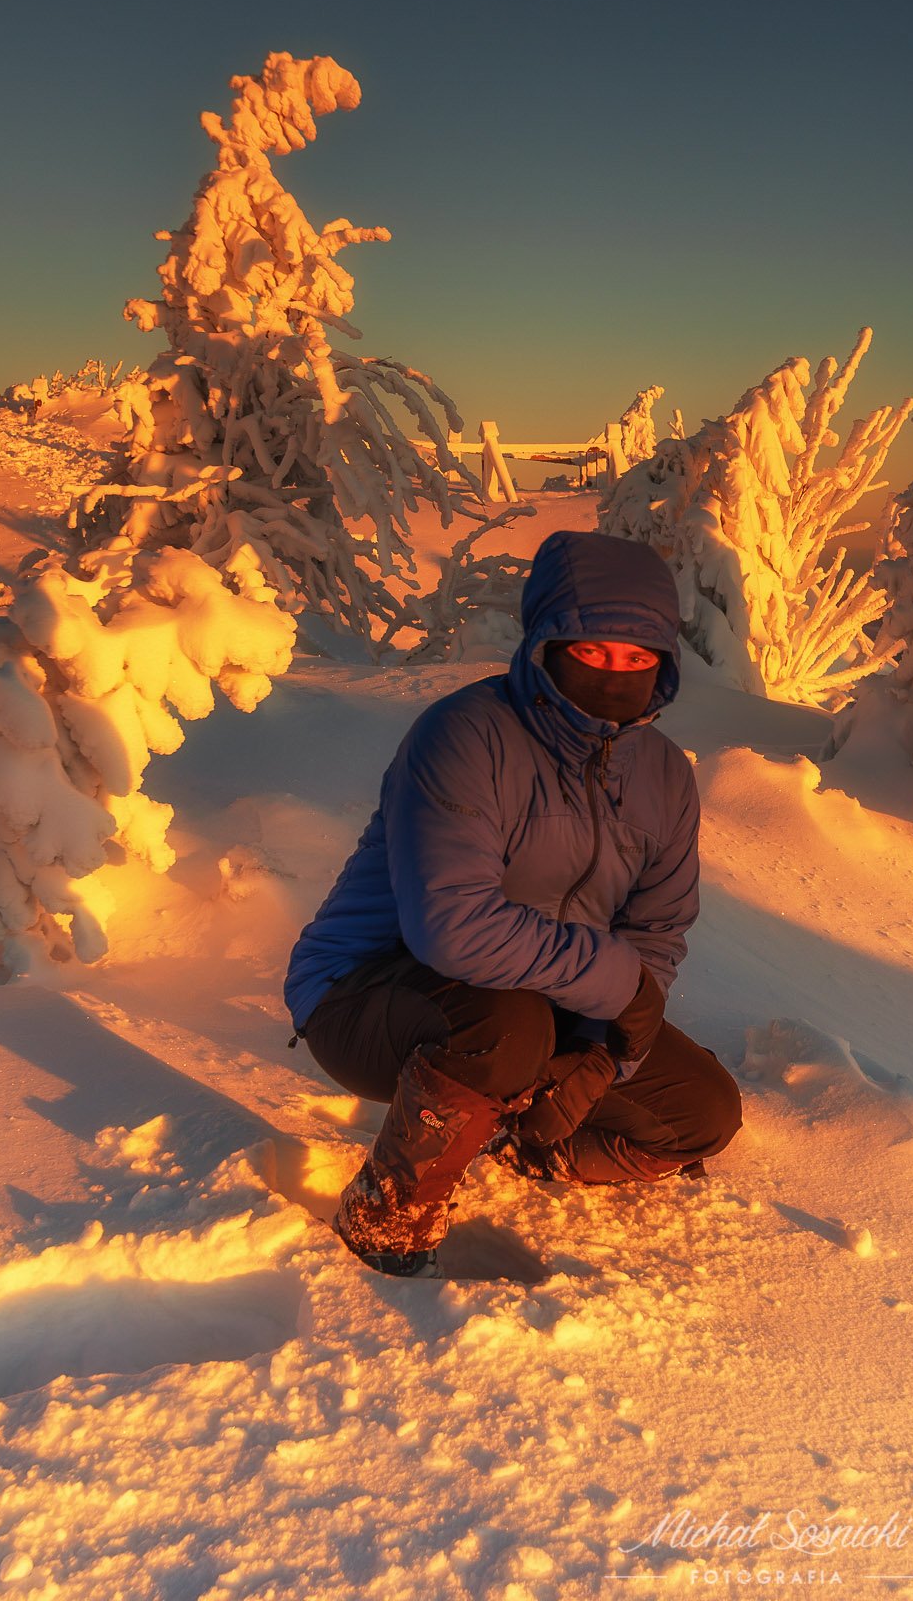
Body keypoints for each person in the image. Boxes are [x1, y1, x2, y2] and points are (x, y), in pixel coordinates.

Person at [284, 529, 743, 1276]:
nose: (614, 672)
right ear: (547, 643)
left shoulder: (664, 776)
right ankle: (388, 1212)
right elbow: (452, 929)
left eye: (637, 657)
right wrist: (615, 984)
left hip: (545, 1003)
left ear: (665, 662)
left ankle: (524, 1138)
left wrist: (602, 1058)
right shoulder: (467, 736)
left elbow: (655, 933)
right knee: (509, 1027)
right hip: (365, 994)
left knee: (703, 1114)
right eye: (592, 651)